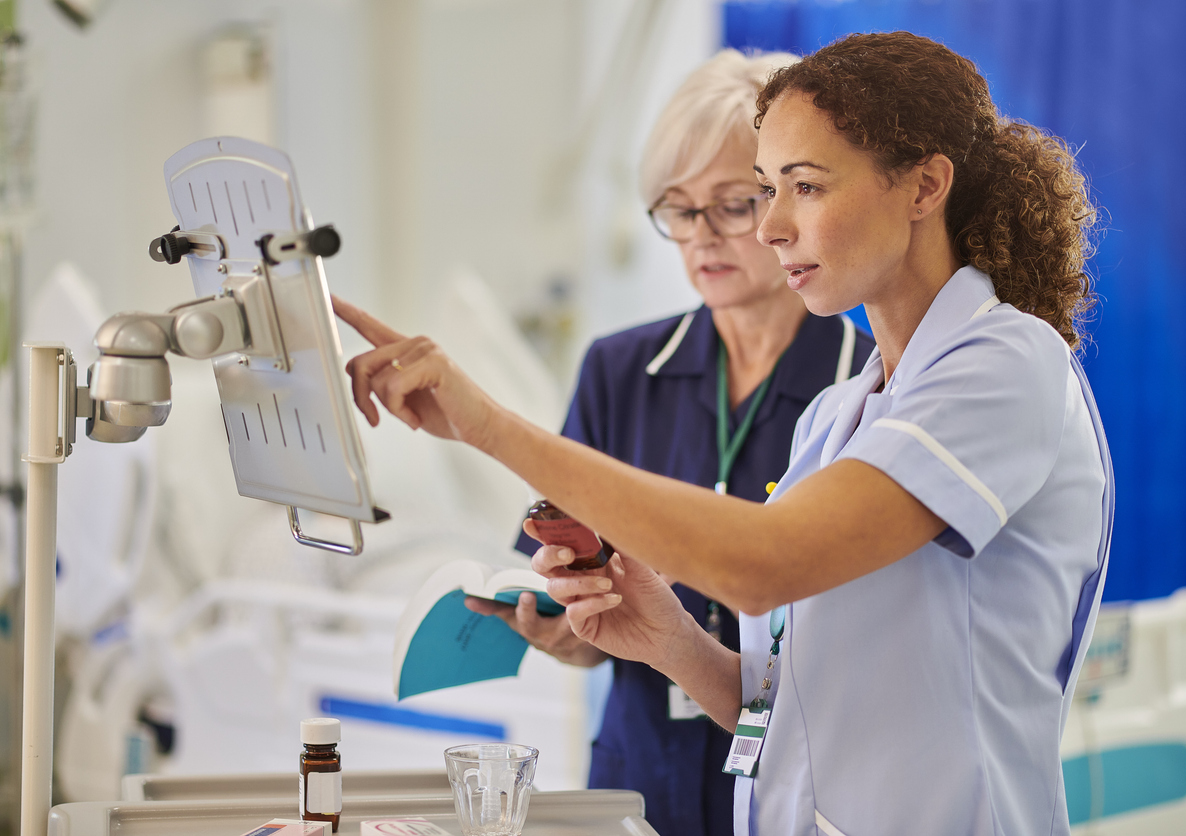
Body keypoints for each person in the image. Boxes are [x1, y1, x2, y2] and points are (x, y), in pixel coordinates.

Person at [335, 31, 1113, 836]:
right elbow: (782, 709)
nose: (772, 228)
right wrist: (670, 641)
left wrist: (485, 424)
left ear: (923, 185)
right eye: (767, 190)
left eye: (802, 188)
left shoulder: (1007, 359)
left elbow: (763, 564)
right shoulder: (839, 414)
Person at [466, 49, 872, 836]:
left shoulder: (865, 386)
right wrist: (564, 630)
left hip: (802, 785)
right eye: (679, 210)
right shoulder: (621, 371)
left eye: (731, 204)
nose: (701, 238)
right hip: (637, 775)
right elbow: (572, 594)